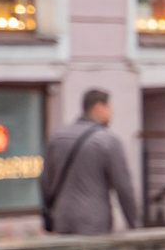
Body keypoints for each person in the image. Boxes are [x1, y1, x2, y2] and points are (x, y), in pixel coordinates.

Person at [40, 88, 143, 235]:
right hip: (95, 223)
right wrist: (134, 225)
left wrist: (50, 211)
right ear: (99, 108)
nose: (111, 114)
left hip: (62, 220)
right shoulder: (108, 141)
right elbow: (124, 188)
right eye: (109, 108)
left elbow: (45, 181)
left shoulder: (57, 137)